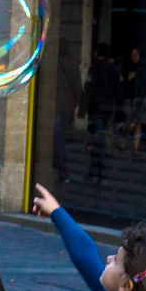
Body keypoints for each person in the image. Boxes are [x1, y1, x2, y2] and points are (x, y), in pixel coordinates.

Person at [82, 43, 121, 182]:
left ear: (97, 53)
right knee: (101, 141)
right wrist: (120, 112)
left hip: (97, 110)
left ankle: (96, 174)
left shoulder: (94, 68)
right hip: (109, 110)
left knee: (96, 142)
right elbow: (118, 91)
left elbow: (89, 90)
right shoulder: (113, 69)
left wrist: (82, 109)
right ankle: (98, 174)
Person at [52, 39, 83, 184]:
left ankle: (62, 171)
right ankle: (58, 169)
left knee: (57, 140)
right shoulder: (71, 62)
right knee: (58, 139)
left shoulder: (53, 63)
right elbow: (77, 86)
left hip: (56, 106)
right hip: (66, 106)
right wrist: (76, 105)